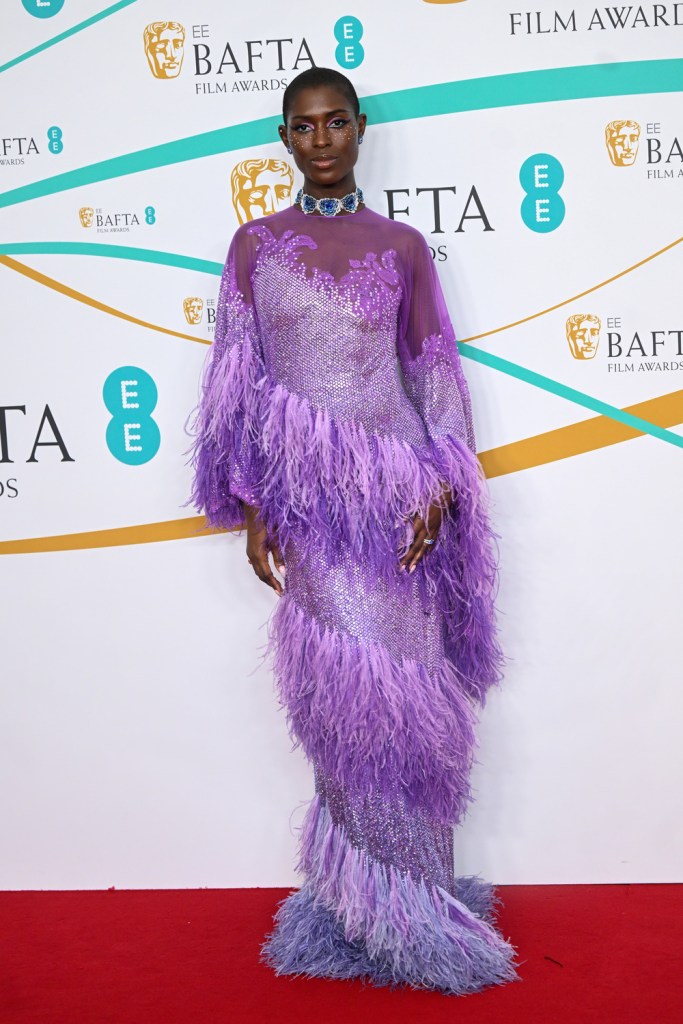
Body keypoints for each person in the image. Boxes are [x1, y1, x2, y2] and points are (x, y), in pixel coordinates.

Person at [186, 66, 519, 995]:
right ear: (283, 138)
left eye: (337, 122)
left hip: (401, 509)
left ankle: (419, 898)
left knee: (410, 709)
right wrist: (252, 504)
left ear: (361, 129)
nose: (322, 139)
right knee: (347, 708)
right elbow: (236, 385)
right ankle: (359, 906)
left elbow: (434, 373)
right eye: (304, 125)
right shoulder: (253, 247)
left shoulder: (404, 247)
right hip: (314, 513)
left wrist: (443, 488)